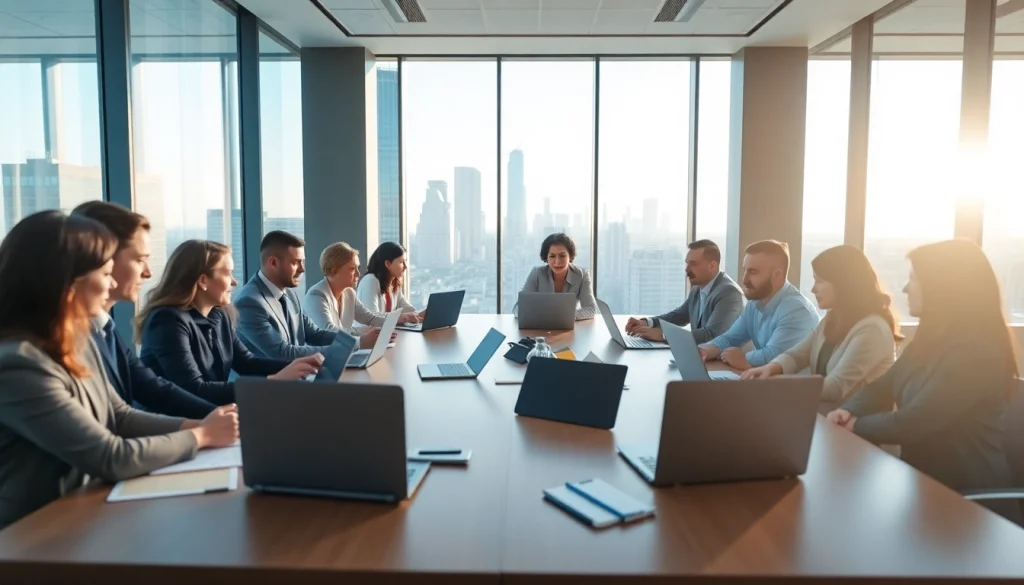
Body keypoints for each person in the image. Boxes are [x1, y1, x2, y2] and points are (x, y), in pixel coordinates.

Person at [0, 211, 238, 529]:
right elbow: (110, 456)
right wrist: (202, 435)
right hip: (36, 533)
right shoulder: (18, 364)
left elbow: (121, 415)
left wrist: (202, 425)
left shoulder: (79, 340)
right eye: (105, 272)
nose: (111, 284)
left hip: (88, 513)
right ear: (66, 281)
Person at [827, 239, 1017, 495]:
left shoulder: (978, 355)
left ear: (943, 287)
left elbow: (916, 421)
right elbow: (882, 387)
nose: (906, 288)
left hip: (968, 501)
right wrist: (848, 411)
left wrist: (855, 426)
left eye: (914, 279)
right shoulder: (929, 343)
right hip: (924, 486)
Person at [70, 201, 216, 419]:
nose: (148, 273)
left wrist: (225, 418)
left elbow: (152, 388)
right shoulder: (68, 340)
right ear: (103, 257)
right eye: (140, 260)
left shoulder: (105, 328)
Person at [137, 240, 320, 406]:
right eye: (228, 273)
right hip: (172, 426)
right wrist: (274, 382)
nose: (234, 281)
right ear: (203, 280)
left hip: (209, 417)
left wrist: (299, 366)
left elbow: (247, 363)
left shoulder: (219, 315)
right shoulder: (167, 321)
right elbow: (194, 389)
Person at [742, 245, 900, 414]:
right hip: (825, 420)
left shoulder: (872, 329)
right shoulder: (832, 319)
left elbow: (836, 386)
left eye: (820, 281)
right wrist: (771, 368)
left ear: (843, 283)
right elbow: (797, 355)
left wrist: (776, 384)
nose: (813, 289)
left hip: (856, 432)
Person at [698, 240, 818, 371]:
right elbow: (729, 339)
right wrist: (703, 351)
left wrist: (743, 358)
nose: (744, 280)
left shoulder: (797, 309)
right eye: (745, 271)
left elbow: (774, 356)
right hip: (766, 383)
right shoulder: (755, 303)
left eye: (753, 272)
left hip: (793, 389)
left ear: (777, 275)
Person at [234, 230, 338, 361]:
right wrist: (342, 350)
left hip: (296, 376)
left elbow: (315, 334)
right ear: (273, 263)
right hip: (270, 380)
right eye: (295, 262)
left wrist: (355, 342)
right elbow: (284, 353)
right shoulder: (248, 303)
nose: (302, 269)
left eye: (302, 262)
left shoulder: (290, 294)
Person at [625, 239, 743, 343]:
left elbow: (712, 335)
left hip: (723, 364)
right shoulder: (698, 286)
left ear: (712, 266)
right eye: (687, 263)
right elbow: (680, 315)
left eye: (693, 264)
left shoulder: (729, 293)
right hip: (700, 357)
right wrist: (647, 322)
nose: (687, 269)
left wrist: (664, 335)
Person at [303, 242, 401, 349]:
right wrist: (362, 336)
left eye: (357, 268)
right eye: (352, 268)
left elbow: (370, 318)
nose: (358, 274)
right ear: (333, 270)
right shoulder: (316, 295)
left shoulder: (349, 293)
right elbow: (329, 331)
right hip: (322, 357)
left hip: (343, 352)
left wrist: (392, 323)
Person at [520, 233, 597, 321]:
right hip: (541, 327)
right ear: (546, 257)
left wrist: (563, 316)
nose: (557, 262)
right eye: (552, 256)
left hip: (568, 327)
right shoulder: (537, 273)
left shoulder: (582, 275)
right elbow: (519, 308)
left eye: (562, 256)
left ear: (570, 256)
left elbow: (591, 309)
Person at [356, 241, 423, 320]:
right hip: (365, 332)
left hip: (384, 331)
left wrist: (424, 313)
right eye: (401, 262)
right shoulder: (370, 281)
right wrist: (401, 317)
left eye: (405, 261)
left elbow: (407, 310)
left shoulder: (394, 283)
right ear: (387, 264)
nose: (405, 266)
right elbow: (371, 317)